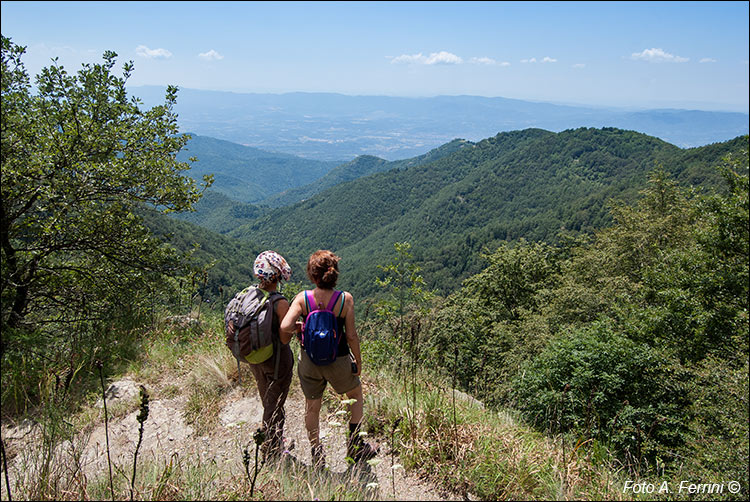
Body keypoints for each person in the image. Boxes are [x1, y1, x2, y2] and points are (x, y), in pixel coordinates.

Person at [280, 250, 378, 467]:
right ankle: (355, 446)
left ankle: (317, 452)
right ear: (334, 274)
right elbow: (351, 335)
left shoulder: (303, 298)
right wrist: (358, 362)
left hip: (309, 362)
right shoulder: (345, 300)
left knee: (312, 406)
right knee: (355, 393)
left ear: (312, 276)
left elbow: (284, 326)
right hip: (339, 360)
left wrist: (300, 328)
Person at [227, 250, 293, 461]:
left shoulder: (248, 294)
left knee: (267, 398)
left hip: (254, 358)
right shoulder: (280, 303)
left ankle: (273, 439)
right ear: (277, 276)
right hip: (276, 361)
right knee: (275, 404)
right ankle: (271, 449)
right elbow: (284, 339)